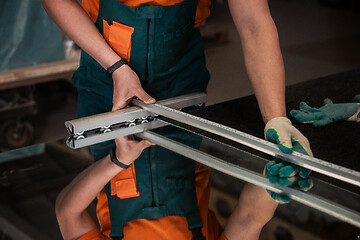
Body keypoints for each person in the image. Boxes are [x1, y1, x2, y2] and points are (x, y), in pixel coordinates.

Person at [41, 0, 313, 239]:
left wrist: (116, 161)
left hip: (172, 81)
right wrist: (278, 179)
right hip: (107, 69)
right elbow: (250, 218)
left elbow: (67, 212)